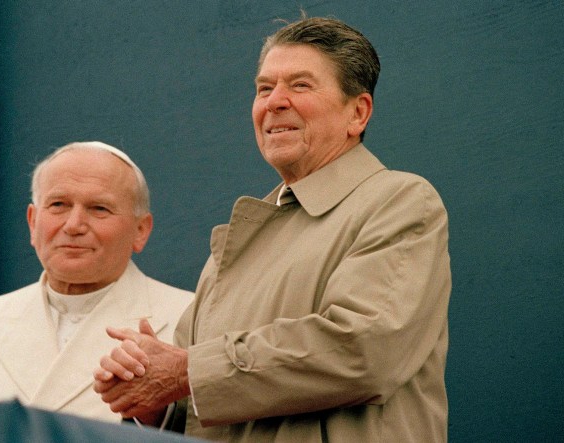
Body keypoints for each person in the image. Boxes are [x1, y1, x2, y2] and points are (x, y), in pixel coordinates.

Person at [94, 16, 452, 442]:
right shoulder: (240, 238)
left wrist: (186, 371)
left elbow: (364, 350)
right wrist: (155, 406)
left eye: (300, 85)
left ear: (358, 112)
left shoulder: (400, 202)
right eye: (264, 88)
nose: (274, 102)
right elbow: (202, 397)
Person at [0, 141, 194, 423]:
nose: (73, 225)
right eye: (59, 205)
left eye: (99, 208)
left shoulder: (190, 316)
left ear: (141, 230)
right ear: (33, 222)